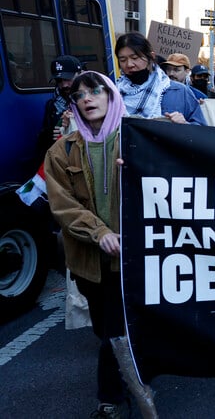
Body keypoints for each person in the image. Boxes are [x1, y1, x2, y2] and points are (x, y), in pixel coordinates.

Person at [44, 71, 128, 419]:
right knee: (103, 330)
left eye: (96, 91)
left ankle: (111, 401)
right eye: (79, 94)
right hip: (89, 263)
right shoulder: (61, 151)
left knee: (114, 333)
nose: (87, 98)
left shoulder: (138, 138)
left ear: (111, 96)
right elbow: (62, 205)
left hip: (131, 260)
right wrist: (99, 232)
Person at [115, 32, 207, 125]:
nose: (129, 64)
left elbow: (202, 132)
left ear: (151, 57)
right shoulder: (112, 93)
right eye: (123, 60)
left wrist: (184, 125)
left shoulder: (180, 91)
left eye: (135, 58)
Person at [36, 55, 83, 164]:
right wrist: (52, 134)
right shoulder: (52, 105)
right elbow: (43, 144)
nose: (64, 85)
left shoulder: (91, 100)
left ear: (79, 75)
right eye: (59, 80)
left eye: (68, 79)